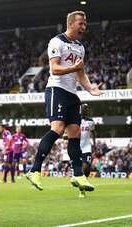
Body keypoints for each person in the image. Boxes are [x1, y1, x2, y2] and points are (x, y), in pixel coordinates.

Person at [26, 10, 103, 192]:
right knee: (58, 129)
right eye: (80, 24)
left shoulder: (80, 48)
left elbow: (80, 74)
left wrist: (91, 88)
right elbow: (54, 69)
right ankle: (35, 170)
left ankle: (78, 175)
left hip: (71, 94)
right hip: (56, 91)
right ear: (70, 24)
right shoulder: (56, 42)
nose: (84, 27)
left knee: (74, 133)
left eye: (85, 24)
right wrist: (73, 69)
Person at [77, 103, 96, 197]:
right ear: (81, 109)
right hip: (77, 148)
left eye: (88, 109)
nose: (87, 111)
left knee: (86, 169)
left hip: (87, 147)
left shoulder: (90, 121)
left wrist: (94, 143)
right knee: (80, 170)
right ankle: (81, 190)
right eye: (85, 109)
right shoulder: (75, 120)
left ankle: (84, 183)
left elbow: (92, 132)